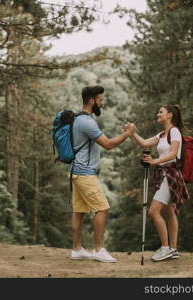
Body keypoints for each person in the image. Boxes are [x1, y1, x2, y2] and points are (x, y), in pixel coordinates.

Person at [70, 85, 136, 263]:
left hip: (76, 172)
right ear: (92, 101)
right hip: (85, 173)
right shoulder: (87, 122)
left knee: (79, 211)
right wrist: (128, 134)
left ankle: (76, 249)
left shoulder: (78, 118)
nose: (102, 102)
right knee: (102, 208)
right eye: (100, 100)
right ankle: (98, 250)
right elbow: (107, 144)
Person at [127, 104, 189, 262]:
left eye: (161, 112)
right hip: (163, 174)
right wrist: (132, 133)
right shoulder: (162, 134)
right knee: (169, 213)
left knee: (154, 211)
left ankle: (165, 248)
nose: (158, 114)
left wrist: (154, 161)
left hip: (171, 174)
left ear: (170, 115)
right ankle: (173, 250)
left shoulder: (174, 131)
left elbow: (174, 154)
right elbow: (145, 144)